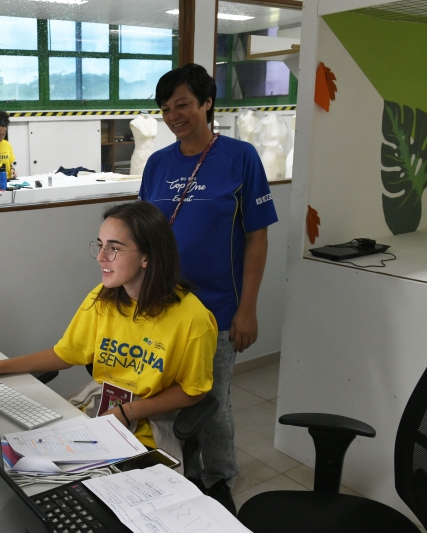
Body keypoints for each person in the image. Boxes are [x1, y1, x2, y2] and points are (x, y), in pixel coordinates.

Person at [139, 63, 278, 514]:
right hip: (164, 308)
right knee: (170, 395)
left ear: (207, 103)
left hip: (218, 308)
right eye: (165, 108)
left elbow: (257, 237)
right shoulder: (157, 164)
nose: (173, 116)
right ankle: (183, 471)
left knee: (213, 401)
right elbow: (144, 235)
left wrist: (248, 309)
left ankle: (219, 479)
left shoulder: (240, 157)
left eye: (182, 104)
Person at [0, 202, 218, 454]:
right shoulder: (102, 297)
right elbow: (64, 354)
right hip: (98, 411)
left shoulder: (193, 319)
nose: (101, 257)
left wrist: (129, 411)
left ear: (147, 256)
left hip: (147, 427)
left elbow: (194, 392)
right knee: (17, 452)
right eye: (100, 245)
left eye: (114, 248)